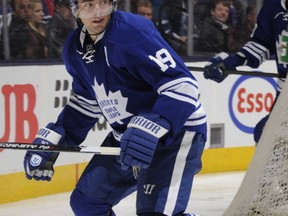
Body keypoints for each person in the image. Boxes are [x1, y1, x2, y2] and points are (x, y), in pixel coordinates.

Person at [23, 0, 207, 216]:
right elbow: (85, 104)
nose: (98, 12)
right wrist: (56, 139)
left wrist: (155, 124)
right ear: (75, 9)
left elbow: (183, 85)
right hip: (126, 139)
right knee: (87, 205)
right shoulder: (74, 48)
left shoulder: (131, 31)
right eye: (89, 5)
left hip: (175, 133)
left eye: (103, 2)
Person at [203, 0, 286, 143]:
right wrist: (233, 61)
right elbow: (262, 43)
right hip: (284, 93)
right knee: (266, 137)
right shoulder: (274, 7)